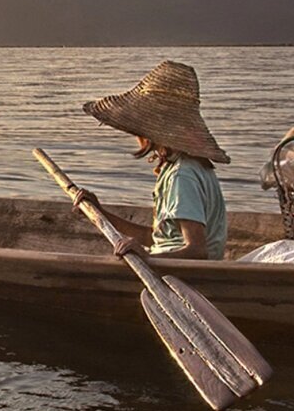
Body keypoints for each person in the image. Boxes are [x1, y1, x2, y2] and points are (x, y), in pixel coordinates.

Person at [78, 60, 230, 261]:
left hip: (184, 275)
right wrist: (100, 213)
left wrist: (148, 259)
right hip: (169, 262)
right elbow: (155, 238)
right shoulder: (180, 167)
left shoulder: (182, 175)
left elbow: (197, 251)